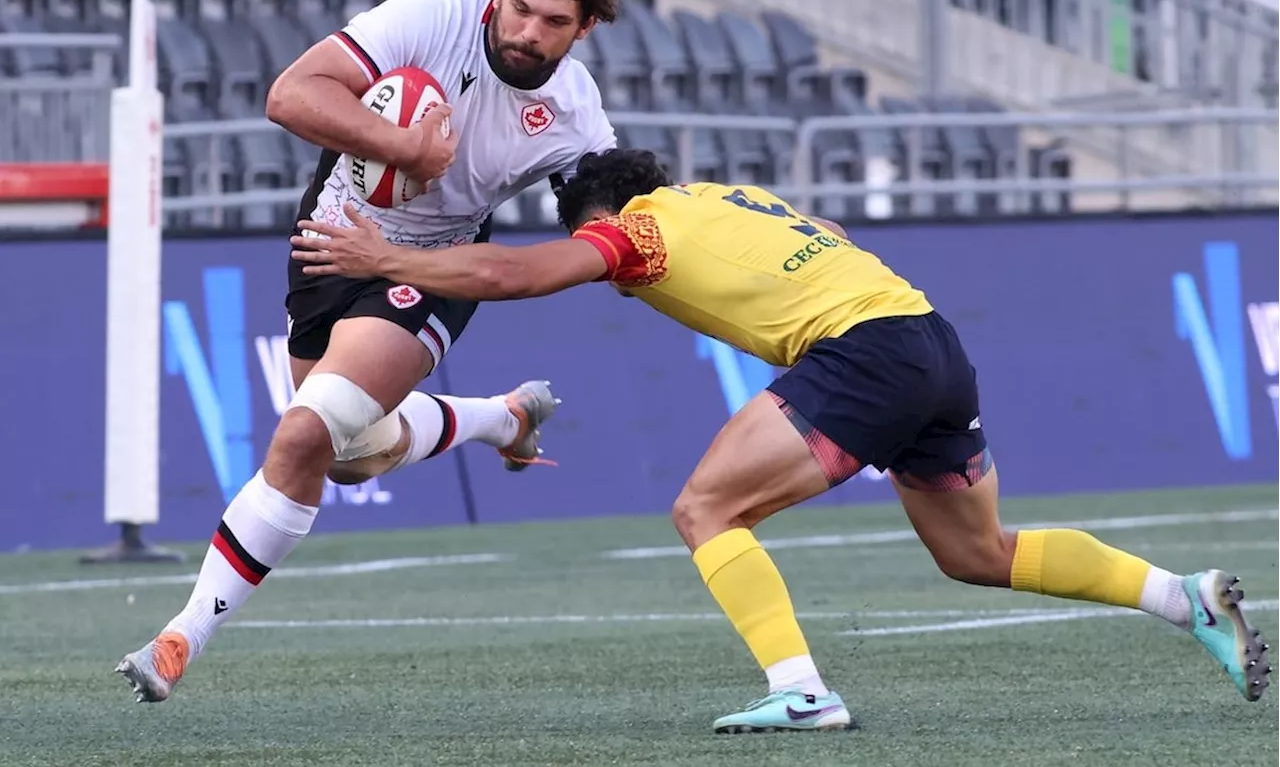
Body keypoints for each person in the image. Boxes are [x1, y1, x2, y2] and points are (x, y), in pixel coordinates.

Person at [288, 148, 1272, 732]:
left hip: (863, 352)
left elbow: (520, 276)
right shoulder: (720, 196)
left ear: (601, 212)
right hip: (931, 340)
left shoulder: (636, 229)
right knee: (977, 552)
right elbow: (826, 230)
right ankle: (1176, 597)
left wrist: (383, 256)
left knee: (703, 508)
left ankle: (798, 692)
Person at [116, 0, 625, 704]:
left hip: (431, 265)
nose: (527, 31)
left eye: (554, 21)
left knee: (303, 434)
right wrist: (405, 150)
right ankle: (502, 419)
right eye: (520, 7)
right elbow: (291, 95)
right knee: (349, 459)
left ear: (585, 27)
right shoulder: (434, 16)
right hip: (331, 237)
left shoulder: (575, 119)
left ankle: (181, 635)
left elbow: (613, 229)